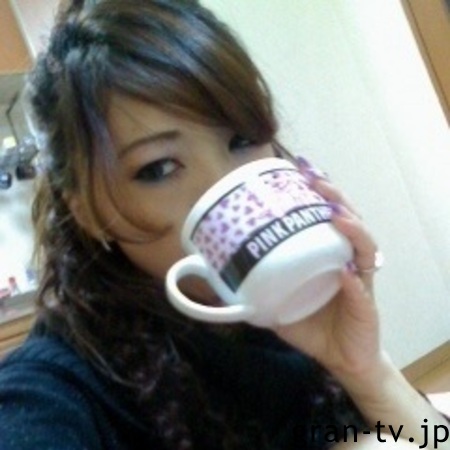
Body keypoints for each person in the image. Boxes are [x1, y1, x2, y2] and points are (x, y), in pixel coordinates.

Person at [0, 1, 448, 449]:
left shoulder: (284, 316)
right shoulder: (56, 392)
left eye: (242, 139)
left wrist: (366, 370)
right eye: (158, 168)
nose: (228, 187)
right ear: (88, 212)